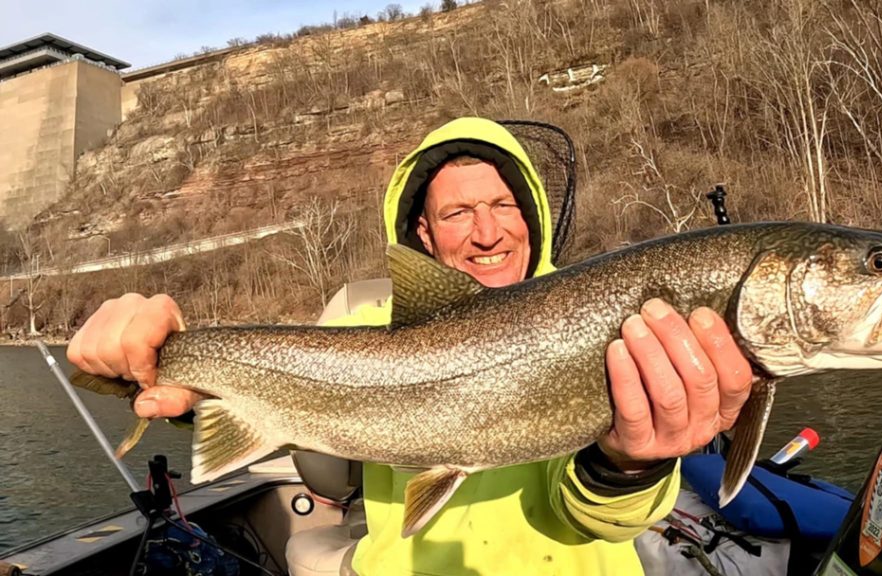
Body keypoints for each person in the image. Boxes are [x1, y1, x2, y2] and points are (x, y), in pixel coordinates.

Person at [67, 117, 754, 575]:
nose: (487, 233)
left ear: (531, 215)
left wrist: (628, 466)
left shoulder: (602, 315)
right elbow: (317, 458)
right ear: (423, 236)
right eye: (457, 213)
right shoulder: (366, 318)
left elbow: (607, 521)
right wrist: (153, 364)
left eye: (503, 206)